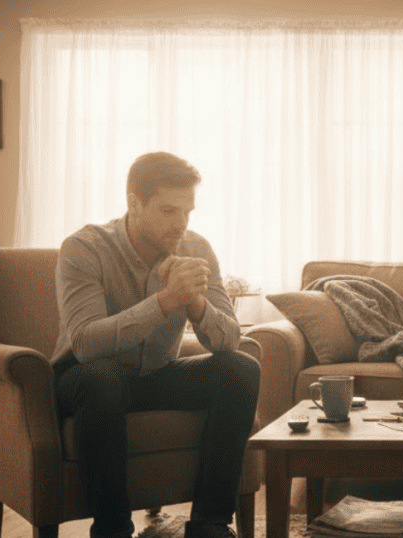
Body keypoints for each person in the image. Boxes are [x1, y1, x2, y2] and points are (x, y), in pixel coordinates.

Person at [52, 152, 261, 538]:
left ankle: (210, 524)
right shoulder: (84, 248)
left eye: (187, 211)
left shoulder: (196, 249)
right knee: (102, 378)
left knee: (242, 368)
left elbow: (230, 338)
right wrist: (164, 301)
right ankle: (112, 530)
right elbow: (85, 343)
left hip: (154, 375)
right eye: (168, 210)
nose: (180, 223)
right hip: (83, 380)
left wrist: (195, 302)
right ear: (134, 203)